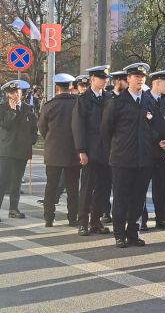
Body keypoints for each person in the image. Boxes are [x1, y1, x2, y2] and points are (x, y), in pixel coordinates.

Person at [101, 63, 159, 248]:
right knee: (121, 197)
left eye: (142, 77)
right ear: (128, 79)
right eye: (135, 76)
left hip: (144, 159)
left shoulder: (149, 101)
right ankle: (119, 233)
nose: (140, 79)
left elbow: (154, 128)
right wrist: (115, 150)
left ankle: (132, 232)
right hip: (122, 159)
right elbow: (106, 131)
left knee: (138, 198)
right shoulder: (117, 103)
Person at [72, 65, 113, 235]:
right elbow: (78, 126)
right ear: (92, 80)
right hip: (90, 151)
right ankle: (83, 222)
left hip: (107, 151)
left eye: (105, 79)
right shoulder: (83, 100)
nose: (104, 81)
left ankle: (95, 221)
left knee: (103, 189)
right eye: (101, 78)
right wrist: (81, 150)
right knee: (87, 188)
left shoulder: (109, 98)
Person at [38, 73, 80, 227]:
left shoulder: (49, 105)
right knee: (73, 187)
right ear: (71, 87)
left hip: (53, 152)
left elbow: (42, 128)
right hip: (73, 152)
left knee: (51, 186)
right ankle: (73, 218)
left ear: (56, 87)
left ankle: (49, 218)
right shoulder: (78, 103)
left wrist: (51, 140)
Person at [142, 70, 165, 231]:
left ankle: (161, 218)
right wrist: (158, 140)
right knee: (141, 186)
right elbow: (145, 125)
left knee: (162, 187)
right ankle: (141, 219)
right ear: (156, 82)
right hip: (148, 150)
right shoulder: (145, 99)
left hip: (164, 152)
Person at [0, 79, 37, 220]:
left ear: (21, 93)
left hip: (22, 150)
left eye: (17, 92)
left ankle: (13, 209)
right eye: (12, 93)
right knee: (3, 181)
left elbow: (34, 128)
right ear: (7, 95)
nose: (15, 95)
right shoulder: (2, 108)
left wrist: (31, 140)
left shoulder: (28, 108)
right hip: (7, 150)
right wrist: (13, 111)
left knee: (16, 180)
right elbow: (7, 125)